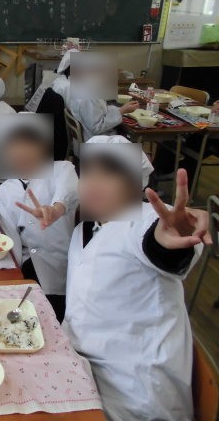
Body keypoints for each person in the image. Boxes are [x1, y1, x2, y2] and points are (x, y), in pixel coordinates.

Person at [63, 135, 209, 421]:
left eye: (109, 173)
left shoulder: (141, 221)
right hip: (84, 373)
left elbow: (159, 245)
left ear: (135, 185)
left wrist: (174, 235)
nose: (93, 183)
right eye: (87, 172)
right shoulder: (85, 229)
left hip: (136, 397)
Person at [0, 120, 78, 322]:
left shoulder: (62, 169)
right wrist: (13, 279)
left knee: (57, 317)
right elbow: (11, 238)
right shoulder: (3, 191)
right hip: (29, 261)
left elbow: (69, 192)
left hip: (63, 261)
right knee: (25, 315)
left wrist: (56, 209)